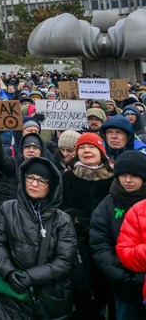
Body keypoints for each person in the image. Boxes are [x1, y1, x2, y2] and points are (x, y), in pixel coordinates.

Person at [0, 157, 77, 319]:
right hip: (12, 294)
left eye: (41, 181)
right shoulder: (7, 209)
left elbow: (65, 261)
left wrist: (30, 277)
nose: (34, 184)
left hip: (49, 297)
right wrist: (9, 272)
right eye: (30, 178)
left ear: (51, 186)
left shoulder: (62, 219)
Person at [61, 131, 114, 318]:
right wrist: (75, 218)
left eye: (91, 147)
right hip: (78, 242)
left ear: (101, 151)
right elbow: (61, 207)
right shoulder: (68, 177)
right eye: (82, 147)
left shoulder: (113, 178)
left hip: (106, 242)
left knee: (106, 289)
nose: (86, 150)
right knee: (82, 290)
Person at [91, 151, 146, 320]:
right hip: (122, 286)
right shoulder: (107, 204)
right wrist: (120, 276)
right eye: (123, 175)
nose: (128, 180)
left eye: (133, 176)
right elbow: (99, 244)